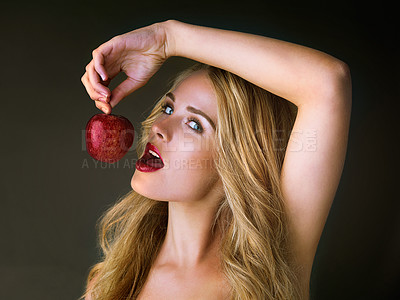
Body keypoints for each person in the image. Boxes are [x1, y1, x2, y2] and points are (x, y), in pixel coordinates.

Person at [80, 20, 352, 300]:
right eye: (168, 107)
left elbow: (328, 82)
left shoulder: (275, 265)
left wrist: (168, 38)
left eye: (195, 124)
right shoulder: (110, 283)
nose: (159, 127)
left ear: (238, 159)